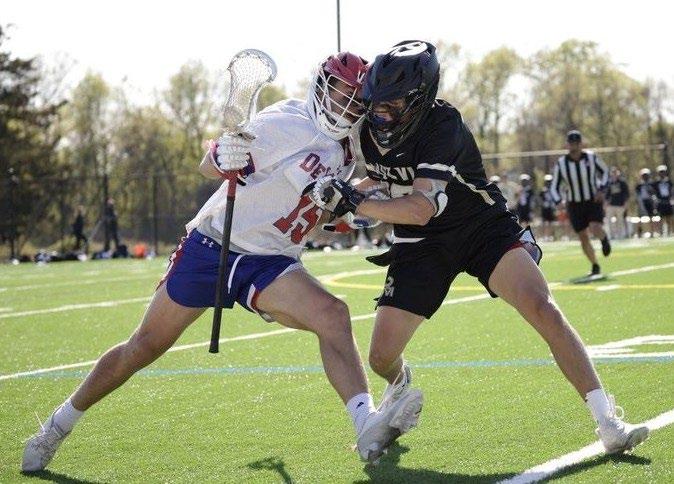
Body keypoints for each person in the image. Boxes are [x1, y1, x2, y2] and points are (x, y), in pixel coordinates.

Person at [21, 52, 422, 473]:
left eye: (357, 101)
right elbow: (209, 165)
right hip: (213, 246)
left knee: (333, 315)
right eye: (343, 95)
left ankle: (365, 423)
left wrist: (341, 214)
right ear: (323, 88)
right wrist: (221, 156)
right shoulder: (284, 122)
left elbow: (314, 214)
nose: (348, 107)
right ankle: (57, 426)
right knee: (143, 347)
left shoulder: (347, 151)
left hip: (269, 260)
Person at [308, 40, 648, 457]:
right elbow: (382, 180)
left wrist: (356, 203)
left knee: (541, 306)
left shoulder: (442, 125)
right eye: (376, 103)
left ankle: (607, 420)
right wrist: (344, 198)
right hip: (420, 244)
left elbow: (420, 207)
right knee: (381, 357)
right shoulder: (365, 128)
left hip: (479, 227)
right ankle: (399, 386)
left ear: (420, 99)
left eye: (393, 105)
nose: (381, 114)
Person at [550, 130, 611, 276]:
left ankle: (604, 239)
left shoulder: (591, 157)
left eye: (576, 143)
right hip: (574, 204)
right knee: (583, 236)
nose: (574, 147)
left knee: (595, 227)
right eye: (571, 144)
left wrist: (602, 189)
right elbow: (554, 187)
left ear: (581, 144)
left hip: (592, 200)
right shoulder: (561, 163)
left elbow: (605, 172)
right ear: (567, 145)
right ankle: (595, 264)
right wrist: (558, 201)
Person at [605, 167, 630, 239]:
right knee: (609, 220)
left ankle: (620, 235)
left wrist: (625, 203)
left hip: (620, 205)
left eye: (615, 172)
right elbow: (607, 194)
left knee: (620, 221)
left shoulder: (622, 183)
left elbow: (626, 193)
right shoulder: (609, 183)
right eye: (612, 173)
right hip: (611, 205)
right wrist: (606, 203)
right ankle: (612, 235)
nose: (614, 174)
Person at [635, 168, 657, 237]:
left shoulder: (652, 184)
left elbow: (654, 193)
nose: (645, 177)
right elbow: (637, 194)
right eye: (643, 175)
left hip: (649, 201)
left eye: (646, 175)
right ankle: (639, 233)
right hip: (642, 202)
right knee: (640, 218)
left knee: (651, 217)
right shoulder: (639, 185)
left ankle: (652, 232)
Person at [654, 165, 673, 236]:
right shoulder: (656, 183)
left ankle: (669, 232)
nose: (662, 173)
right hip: (660, 201)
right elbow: (654, 192)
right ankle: (661, 232)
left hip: (668, 201)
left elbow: (672, 191)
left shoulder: (669, 182)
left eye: (663, 172)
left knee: (669, 217)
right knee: (661, 217)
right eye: (660, 172)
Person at [539, 174, 557, 240]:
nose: (548, 183)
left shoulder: (554, 190)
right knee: (544, 223)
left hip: (552, 209)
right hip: (545, 209)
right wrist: (543, 203)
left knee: (552, 222)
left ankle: (552, 236)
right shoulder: (543, 191)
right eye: (547, 181)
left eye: (549, 181)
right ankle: (545, 236)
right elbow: (540, 200)